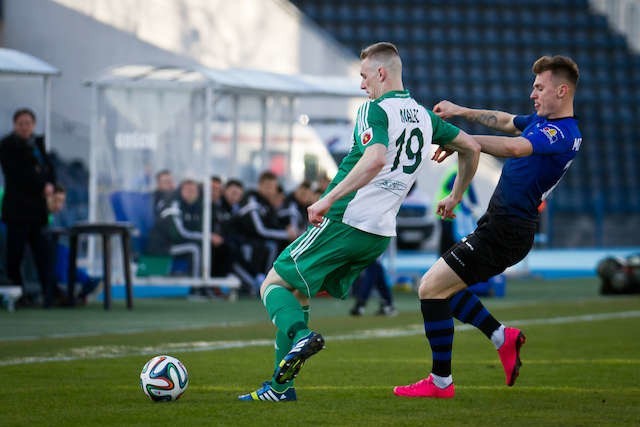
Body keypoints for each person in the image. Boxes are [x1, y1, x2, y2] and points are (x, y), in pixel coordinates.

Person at [238, 42, 480, 402]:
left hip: (345, 219)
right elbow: (472, 147)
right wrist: (455, 195)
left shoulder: (375, 110)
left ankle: (299, 338)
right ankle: (280, 387)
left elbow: (376, 157)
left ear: (381, 73)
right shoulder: (424, 117)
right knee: (298, 291)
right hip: (379, 233)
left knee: (271, 284)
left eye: (364, 76)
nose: (362, 85)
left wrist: (327, 198)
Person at [393, 55, 581, 399]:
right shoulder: (541, 122)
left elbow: (513, 147)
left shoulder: (562, 132)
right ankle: (501, 337)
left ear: (562, 90)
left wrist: (463, 141)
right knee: (440, 289)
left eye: (540, 87)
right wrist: (461, 111)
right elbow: (507, 122)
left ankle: (441, 382)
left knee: (430, 288)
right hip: (499, 224)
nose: (532, 94)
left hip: (508, 229)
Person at [0, 108, 57, 308]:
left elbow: (50, 169)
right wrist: (42, 185)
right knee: (15, 256)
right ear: (15, 125)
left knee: (44, 254)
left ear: (33, 125)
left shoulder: (38, 145)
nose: (25, 127)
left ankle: (49, 295)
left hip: (38, 212)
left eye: (28, 123)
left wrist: (51, 185)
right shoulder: (7, 146)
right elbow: (18, 174)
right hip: (17, 210)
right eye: (21, 123)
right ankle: (17, 295)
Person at [48, 184, 100, 304]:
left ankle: (79, 286)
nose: (59, 205)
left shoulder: (58, 217)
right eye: (56, 200)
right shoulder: (42, 217)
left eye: (62, 202)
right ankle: (70, 289)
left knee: (66, 256)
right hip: (51, 256)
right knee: (62, 254)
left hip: (60, 255)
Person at [146, 177, 204, 277]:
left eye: (194, 191)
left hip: (173, 244)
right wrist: (206, 237)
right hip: (161, 247)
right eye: (188, 190)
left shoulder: (192, 207)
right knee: (194, 248)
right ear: (181, 191)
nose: (192, 194)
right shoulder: (174, 205)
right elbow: (179, 233)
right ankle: (196, 286)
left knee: (201, 245)